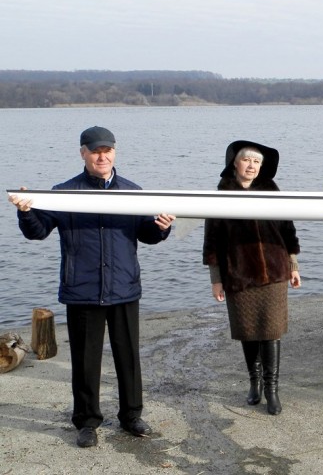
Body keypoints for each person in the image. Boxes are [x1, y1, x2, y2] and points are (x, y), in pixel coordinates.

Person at [8, 126, 175, 448]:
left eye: (107, 150)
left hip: (124, 287)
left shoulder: (133, 192)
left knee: (128, 357)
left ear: (115, 152)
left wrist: (162, 227)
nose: (102, 156)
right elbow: (37, 232)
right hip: (82, 289)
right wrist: (26, 212)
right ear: (83, 152)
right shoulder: (64, 193)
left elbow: (147, 235)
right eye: (96, 150)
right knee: (85, 360)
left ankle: (131, 416)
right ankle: (87, 421)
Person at [203, 140, 301, 415]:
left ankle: (272, 390)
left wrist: (293, 266)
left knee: (271, 332)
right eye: (247, 160)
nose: (252, 166)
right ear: (235, 162)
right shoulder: (222, 192)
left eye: (257, 162)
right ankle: (254, 382)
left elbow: (288, 229)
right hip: (239, 273)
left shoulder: (271, 189)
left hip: (274, 270)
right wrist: (216, 278)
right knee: (248, 332)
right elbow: (212, 240)